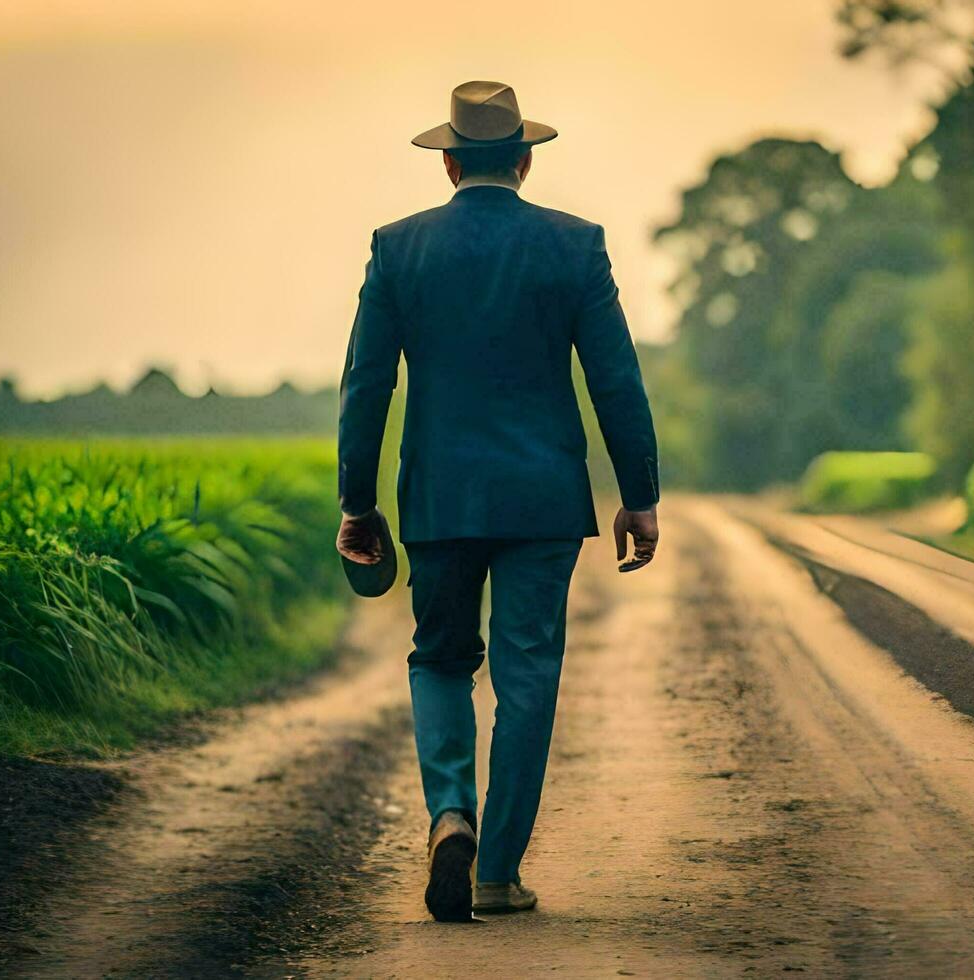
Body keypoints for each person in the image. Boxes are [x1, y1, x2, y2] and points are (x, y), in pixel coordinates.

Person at [335, 80, 660, 921]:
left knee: (441, 659)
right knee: (527, 676)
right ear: (523, 159)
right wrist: (639, 495)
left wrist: (357, 501)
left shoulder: (398, 250)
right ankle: (497, 874)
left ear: (447, 162)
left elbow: (367, 385)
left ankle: (450, 814)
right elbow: (615, 380)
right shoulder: (574, 245)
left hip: (440, 499)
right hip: (544, 500)